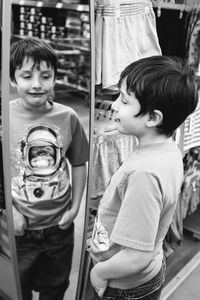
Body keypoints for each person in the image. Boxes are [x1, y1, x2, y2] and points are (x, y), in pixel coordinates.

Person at [88, 55, 198, 300]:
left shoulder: (144, 174)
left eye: (124, 100)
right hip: (144, 273)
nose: (114, 105)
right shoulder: (167, 149)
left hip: (122, 283)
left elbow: (137, 256)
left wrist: (100, 272)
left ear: (153, 117)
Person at [9, 37, 88, 300]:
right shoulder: (4, 118)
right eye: (26, 75)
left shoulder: (68, 117)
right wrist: (9, 211)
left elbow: (78, 162)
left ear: (54, 78)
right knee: (16, 288)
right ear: (13, 80)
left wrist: (75, 207)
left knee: (55, 288)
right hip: (19, 229)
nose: (36, 84)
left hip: (59, 229)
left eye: (45, 76)